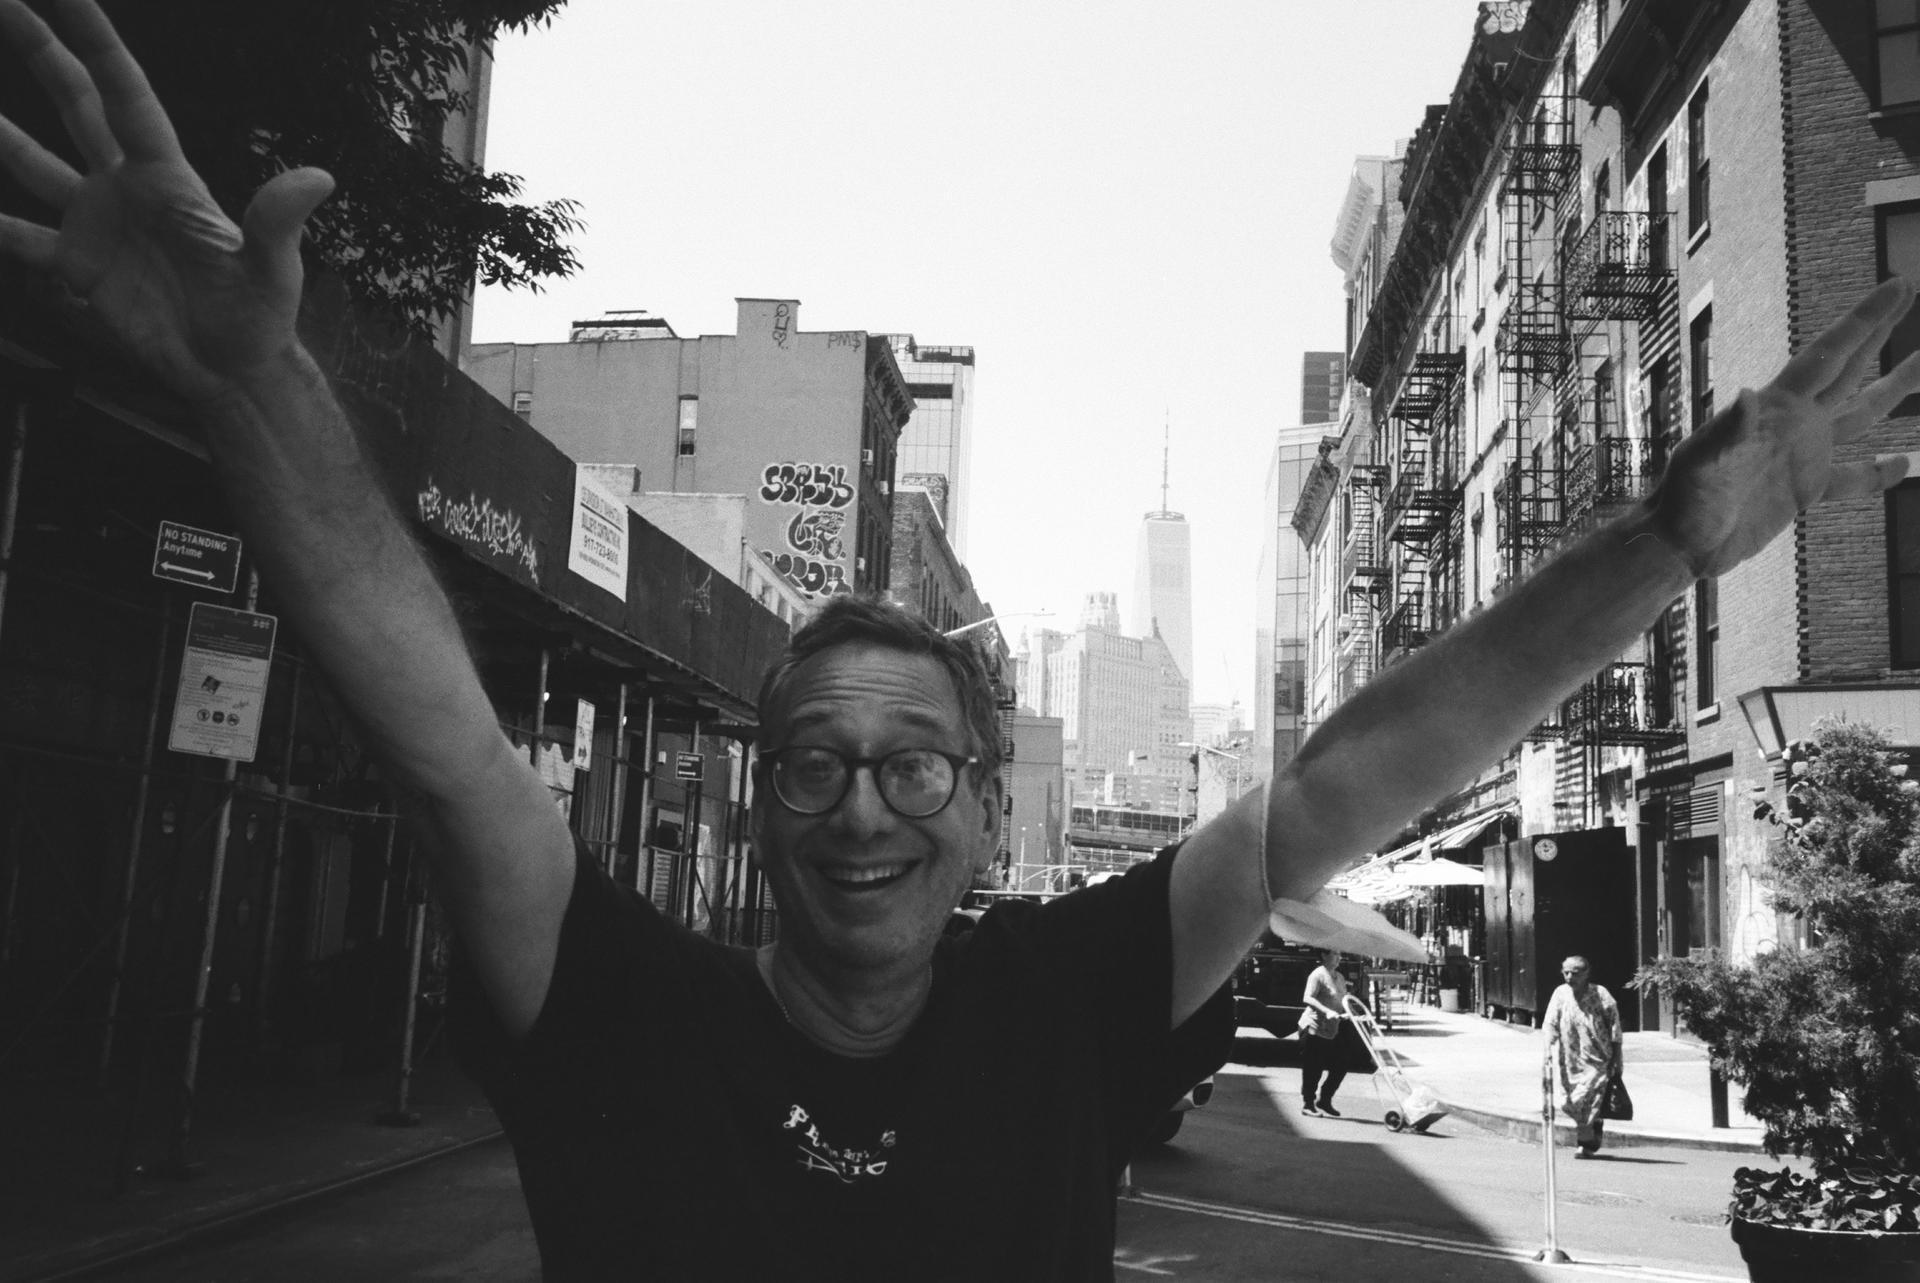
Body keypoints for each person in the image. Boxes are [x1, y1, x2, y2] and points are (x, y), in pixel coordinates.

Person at [3, 2, 1919, 1276]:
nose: (865, 805)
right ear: (763, 798)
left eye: (915, 761)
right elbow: (439, 735)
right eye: (817, 760)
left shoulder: (1062, 1004)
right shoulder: (623, 1017)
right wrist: (255, 388)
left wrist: (1675, 539)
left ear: (987, 804)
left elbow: (1345, 783)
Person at [1545, 955, 1624, 1159]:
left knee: (1587, 1097)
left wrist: (1617, 1056)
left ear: (1586, 973)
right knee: (1569, 1102)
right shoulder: (1560, 993)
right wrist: (1548, 1046)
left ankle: (1585, 1143)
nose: (1569, 977)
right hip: (1569, 1058)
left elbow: (1614, 1025)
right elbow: (1551, 1021)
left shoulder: (1600, 993)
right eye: (1566, 972)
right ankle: (1593, 1127)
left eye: (1575, 973)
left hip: (1598, 1057)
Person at [1298, 948, 1351, 1116]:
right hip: (1314, 1027)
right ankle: (1308, 1104)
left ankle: (1325, 1099)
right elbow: (1307, 997)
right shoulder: (1317, 975)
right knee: (1314, 1067)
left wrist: (1349, 1013)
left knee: (1342, 1064)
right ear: (1324, 955)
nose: (1339, 957)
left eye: (1340, 954)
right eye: (1335, 954)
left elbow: (1343, 1000)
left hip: (1332, 1029)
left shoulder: (1339, 977)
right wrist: (1326, 1011)